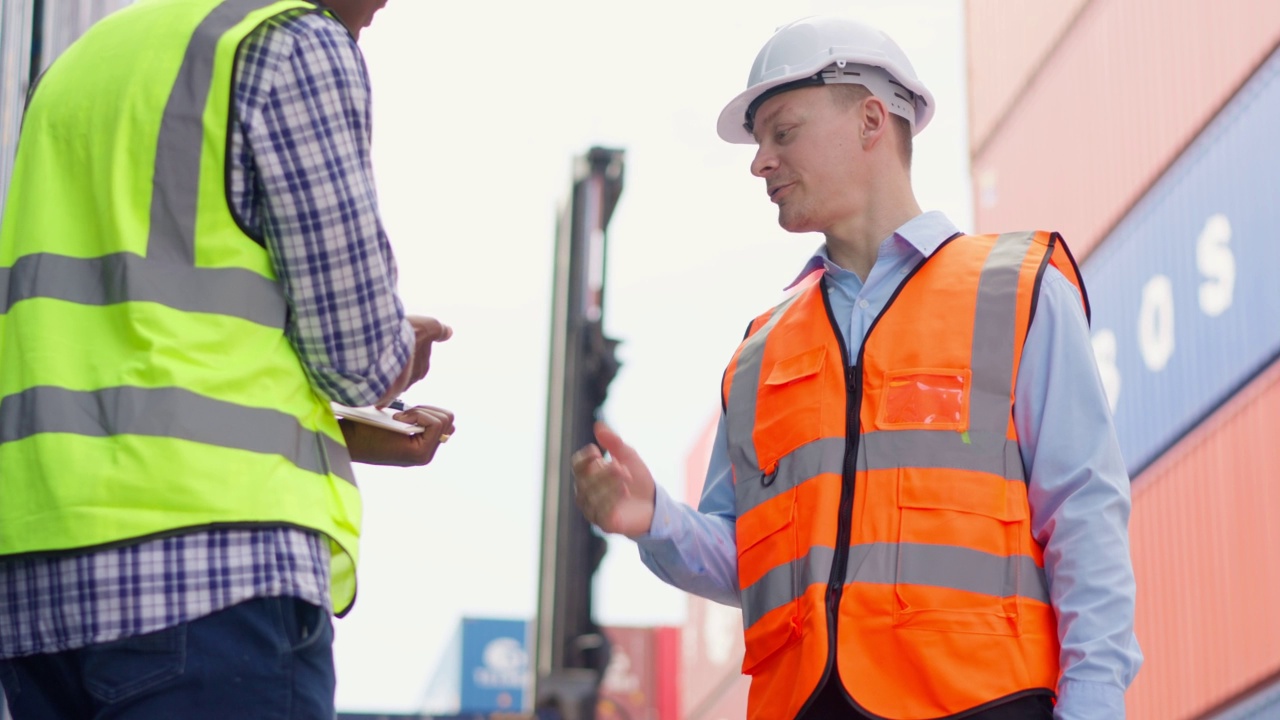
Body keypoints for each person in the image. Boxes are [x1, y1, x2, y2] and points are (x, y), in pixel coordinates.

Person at [572, 15, 1142, 720]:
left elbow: (1084, 515)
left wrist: (1093, 704)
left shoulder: (1015, 293)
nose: (760, 163)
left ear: (871, 119)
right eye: (759, 143)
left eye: (783, 133)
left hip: (980, 702)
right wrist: (653, 519)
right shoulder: (759, 354)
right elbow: (753, 561)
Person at [0, 1, 453, 717]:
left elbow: (134, 342)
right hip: (212, 578)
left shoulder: (80, 63)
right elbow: (358, 358)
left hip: (37, 581)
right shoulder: (292, 43)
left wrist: (331, 429)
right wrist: (404, 349)